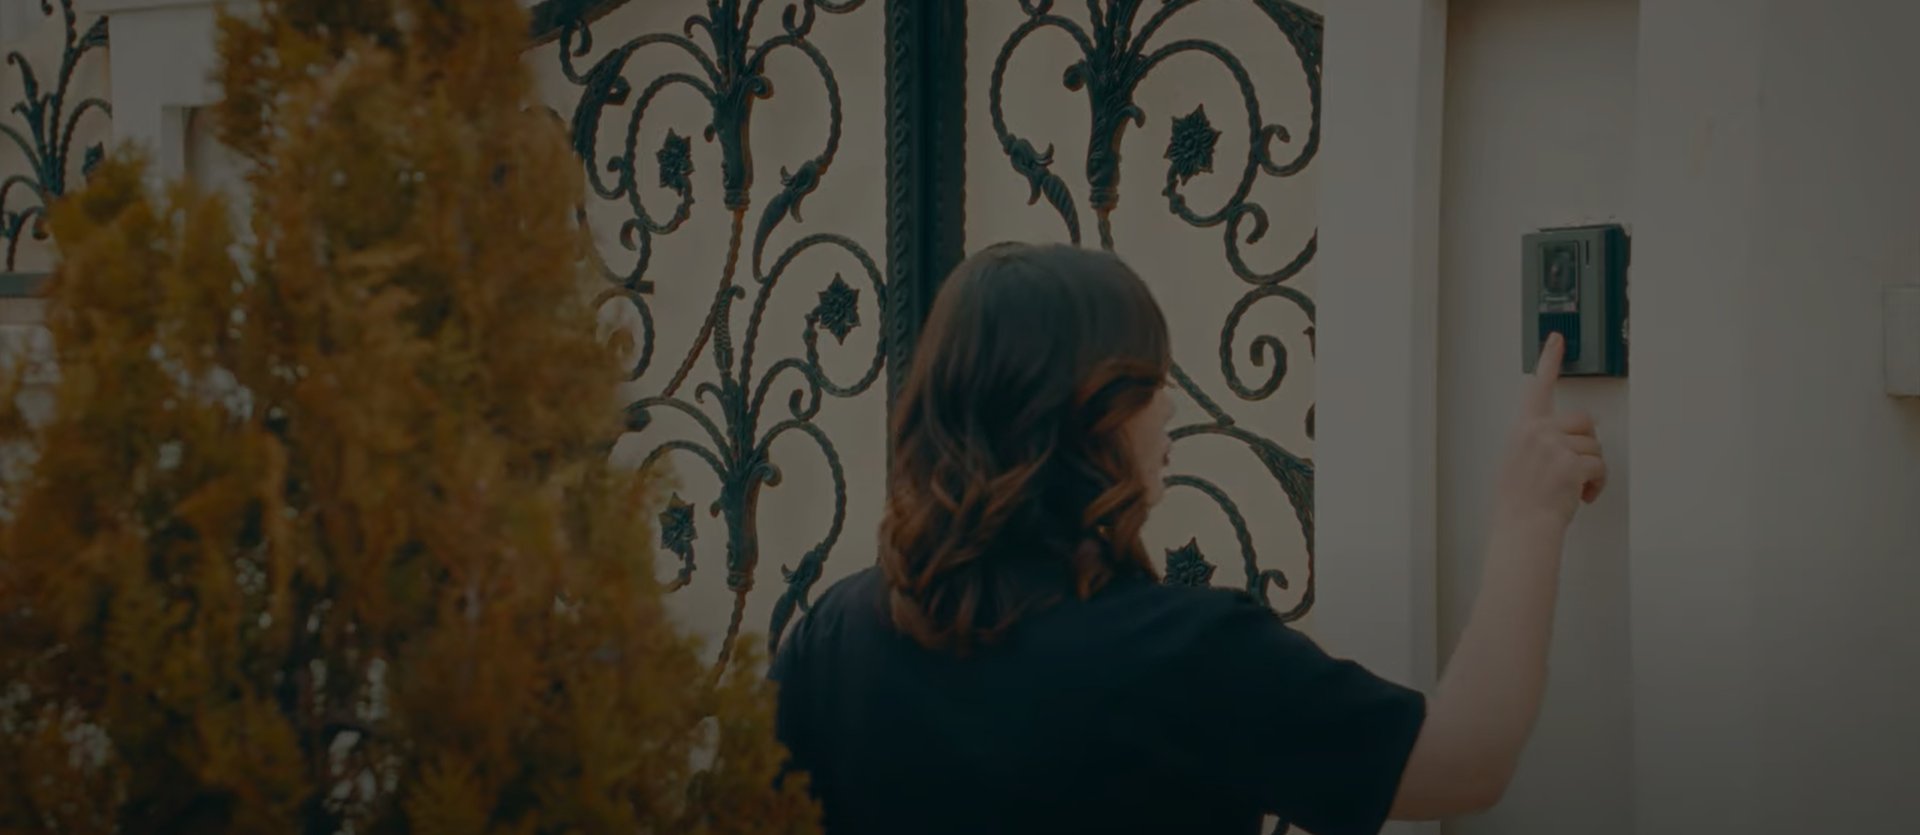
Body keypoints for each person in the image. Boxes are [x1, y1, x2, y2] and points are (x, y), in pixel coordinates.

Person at [769, 242, 1606, 835]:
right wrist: (1528, 517)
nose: (1168, 405)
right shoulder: (1182, 651)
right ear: (1088, 411)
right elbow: (1463, 763)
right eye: (1150, 379)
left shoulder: (834, 637)